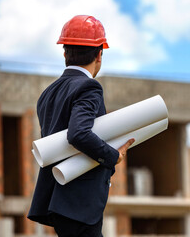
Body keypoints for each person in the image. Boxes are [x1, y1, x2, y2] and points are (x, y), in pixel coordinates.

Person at [28, 15, 134, 237]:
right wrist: (113, 156)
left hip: (59, 201)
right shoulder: (89, 87)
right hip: (79, 205)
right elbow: (79, 133)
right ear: (99, 54)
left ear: (65, 53)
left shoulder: (47, 93)